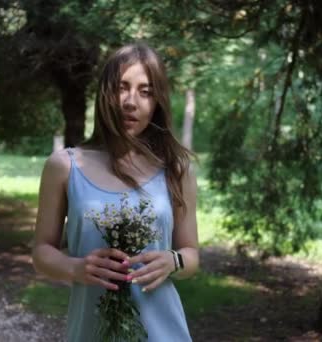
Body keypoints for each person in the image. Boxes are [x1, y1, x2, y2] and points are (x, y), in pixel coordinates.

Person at [31, 43, 198, 341]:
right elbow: (42, 251)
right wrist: (76, 268)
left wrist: (174, 261)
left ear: (158, 102)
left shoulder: (176, 168)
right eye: (122, 88)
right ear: (105, 93)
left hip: (163, 333)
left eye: (146, 92)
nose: (131, 102)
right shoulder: (64, 166)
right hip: (89, 331)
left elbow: (191, 255)